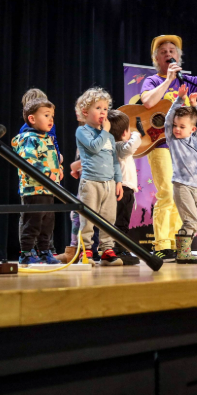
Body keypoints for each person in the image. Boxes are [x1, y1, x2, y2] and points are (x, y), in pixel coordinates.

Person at [140, 31, 197, 260]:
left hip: (183, 149)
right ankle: (161, 244)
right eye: (163, 52)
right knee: (166, 193)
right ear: (157, 59)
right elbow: (147, 102)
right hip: (161, 144)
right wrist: (167, 81)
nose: (168, 54)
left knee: (181, 195)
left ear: (178, 56)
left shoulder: (187, 80)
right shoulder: (153, 80)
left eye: (172, 51)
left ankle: (180, 244)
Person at [75, 87, 124, 266]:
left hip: (109, 183)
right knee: (88, 218)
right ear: (85, 112)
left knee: (109, 218)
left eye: (105, 109)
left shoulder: (109, 137)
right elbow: (94, 147)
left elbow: (114, 160)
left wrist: (118, 181)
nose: (103, 112)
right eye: (98, 108)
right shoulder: (82, 132)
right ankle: (86, 251)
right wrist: (105, 131)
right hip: (91, 182)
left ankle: (107, 250)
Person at [12, 98, 63, 265]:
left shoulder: (47, 138)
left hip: (49, 190)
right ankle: (26, 252)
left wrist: (58, 171)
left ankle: (45, 251)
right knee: (32, 222)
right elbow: (29, 161)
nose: (51, 119)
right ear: (32, 119)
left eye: (53, 116)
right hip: (33, 190)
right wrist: (49, 173)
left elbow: (53, 160)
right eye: (46, 115)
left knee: (47, 223)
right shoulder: (28, 138)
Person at [165, 85, 197, 264]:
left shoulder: (195, 139)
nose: (176, 129)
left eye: (182, 126)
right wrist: (179, 100)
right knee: (190, 220)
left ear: (192, 129)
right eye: (176, 125)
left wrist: (195, 104)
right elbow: (168, 120)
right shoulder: (173, 140)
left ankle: (183, 251)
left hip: (195, 186)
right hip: (181, 184)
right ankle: (183, 253)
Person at [108, 109, 141, 265]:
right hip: (123, 190)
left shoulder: (113, 145)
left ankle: (119, 248)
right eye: (128, 130)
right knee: (121, 222)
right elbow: (131, 146)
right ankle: (120, 250)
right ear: (124, 133)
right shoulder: (120, 146)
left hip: (124, 189)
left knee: (120, 221)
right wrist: (137, 133)